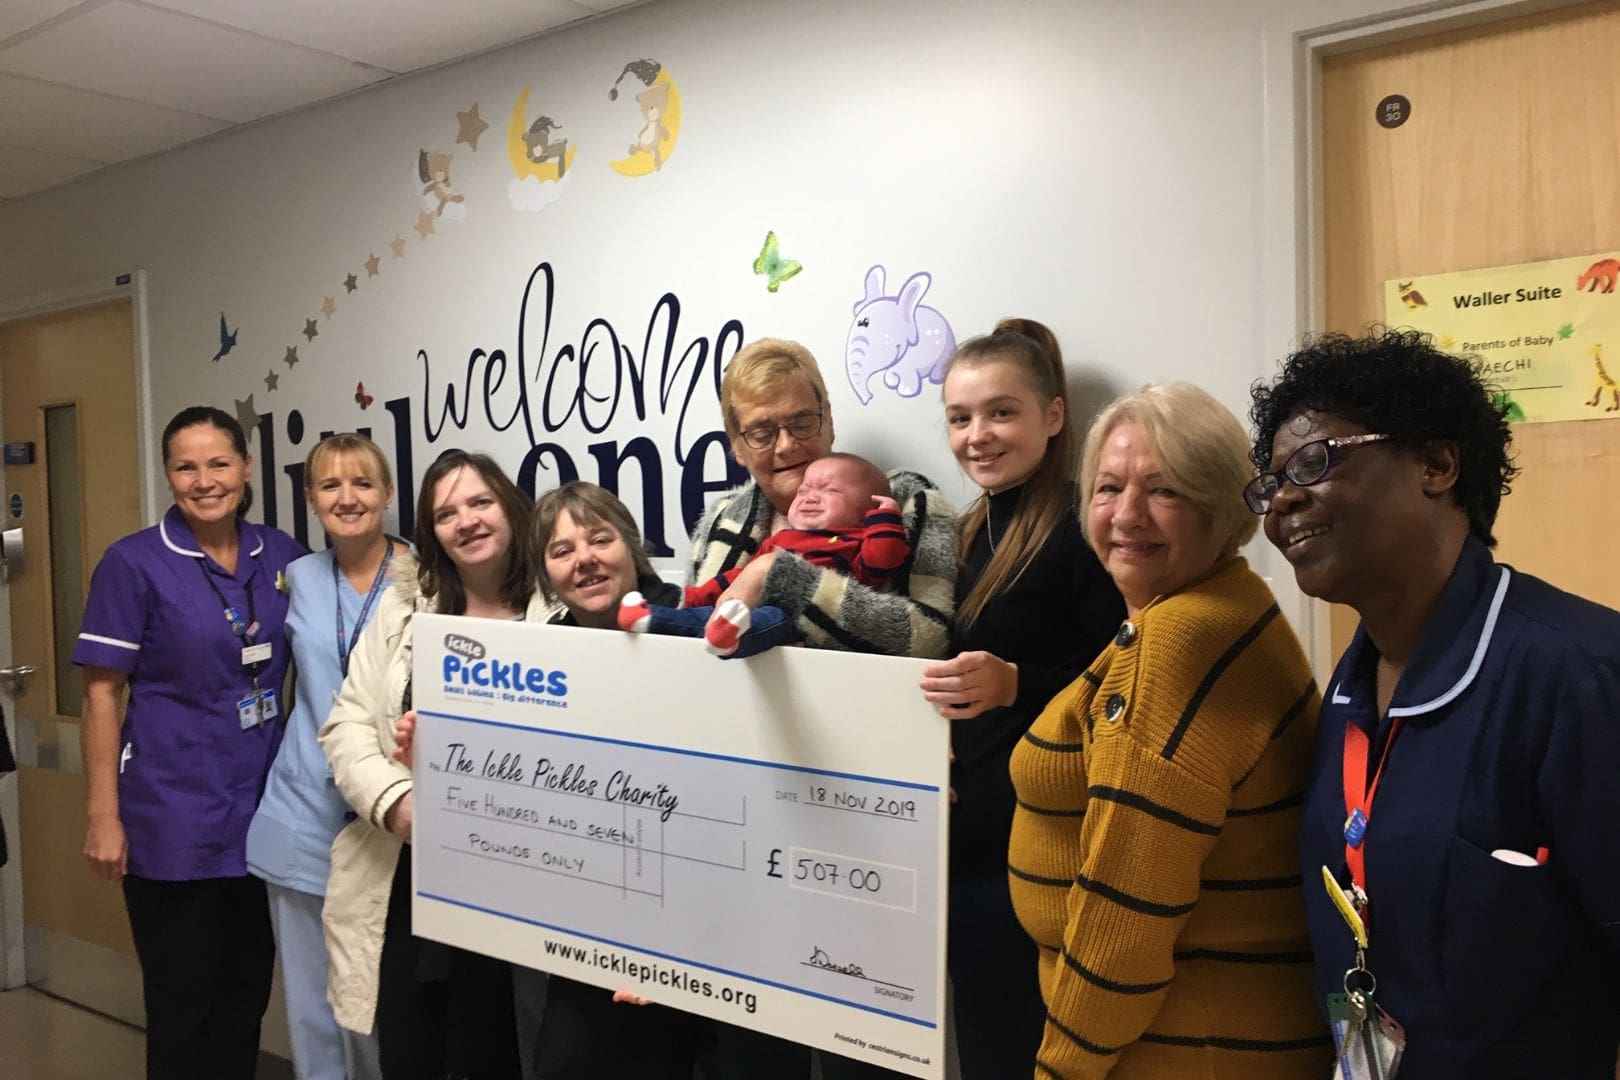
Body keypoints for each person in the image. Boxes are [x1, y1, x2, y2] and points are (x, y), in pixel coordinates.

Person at [1249, 329, 1620, 1078]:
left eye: (1315, 461)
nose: (1283, 498)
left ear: (1436, 465)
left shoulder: (1577, 674)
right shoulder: (1348, 695)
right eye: (1269, 482)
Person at [1008, 383, 1329, 1079]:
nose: (1127, 516)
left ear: (1220, 505)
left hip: (1188, 1047)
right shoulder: (1223, 602)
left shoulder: (1179, 642)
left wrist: (1060, 1069)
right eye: (1106, 488)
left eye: (1165, 492)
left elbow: (1125, 918)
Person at [686, 337, 956, 1077]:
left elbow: (926, 638)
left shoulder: (902, 499)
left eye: (801, 422)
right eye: (760, 431)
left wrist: (782, 576)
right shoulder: (722, 527)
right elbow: (694, 664)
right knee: (749, 1053)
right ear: (737, 444)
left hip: (866, 826)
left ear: (830, 419)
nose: (785, 446)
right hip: (745, 827)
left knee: (866, 1055)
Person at [71, 405, 306, 1080]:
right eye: (186, 466)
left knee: (243, 1004)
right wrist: (103, 815)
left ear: (246, 469)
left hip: (265, 817)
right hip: (170, 820)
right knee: (182, 1009)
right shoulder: (135, 563)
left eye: (219, 463)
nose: (205, 480)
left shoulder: (280, 553)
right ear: (169, 475)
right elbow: (101, 694)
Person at [916, 319, 1124, 1078]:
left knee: (1034, 1055)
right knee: (985, 1048)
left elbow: (1122, 683)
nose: (979, 436)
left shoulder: (1085, 525)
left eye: (1002, 412)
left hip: (1041, 851)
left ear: (1054, 417)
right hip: (960, 849)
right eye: (960, 418)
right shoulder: (959, 532)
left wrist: (1017, 685)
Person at [320, 449, 540, 1079]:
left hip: (526, 878)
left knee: (503, 1048)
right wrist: (398, 803)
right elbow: (347, 726)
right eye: (446, 513)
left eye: (480, 503)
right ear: (431, 532)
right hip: (411, 871)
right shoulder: (403, 610)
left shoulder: (556, 607)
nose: (466, 521)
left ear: (510, 507)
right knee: (414, 1050)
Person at [244, 434, 402, 1080]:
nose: (348, 497)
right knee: (312, 1011)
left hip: (383, 822)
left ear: (388, 494)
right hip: (302, 813)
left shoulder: (423, 577)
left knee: (376, 1011)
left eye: (362, 483)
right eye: (330, 485)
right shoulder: (298, 578)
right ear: (310, 499)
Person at [621, 452, 908, 656]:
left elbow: (880, 564)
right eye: (805, 489)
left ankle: (730, 638)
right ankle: (650, 618)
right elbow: (739, 577)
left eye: (829, 490)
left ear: (865, 512)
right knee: (702, 615)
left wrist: (884, 519)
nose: (809, 496)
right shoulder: (781, 539)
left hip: (798, 622)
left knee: (772, 620)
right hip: (739, 610)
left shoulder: (853, 540)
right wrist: (697, 595)